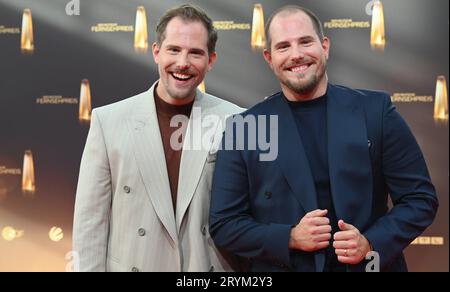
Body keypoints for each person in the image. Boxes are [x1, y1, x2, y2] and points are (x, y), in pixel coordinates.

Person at [209, 5, 438, 272]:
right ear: (269, 58)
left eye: (305, 42)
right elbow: (224, 223)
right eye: (284, 47)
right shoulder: (244, 128)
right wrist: (289, 237)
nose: (296, 55)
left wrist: (371, 242)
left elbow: (420, 199)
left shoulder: (376, 111)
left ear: (325, 46)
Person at [73, 4, 243, 272]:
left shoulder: (236, 121)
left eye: (195, 53)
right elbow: (89, 225)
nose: (183, 63)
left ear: (211, 61)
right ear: (156, 52)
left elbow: (248, 221)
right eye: (173, 50)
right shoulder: (109, 121)